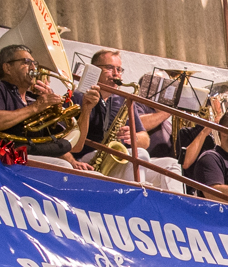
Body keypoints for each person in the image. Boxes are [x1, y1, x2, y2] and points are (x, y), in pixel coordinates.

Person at [0, 44, 90, 169]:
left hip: (31, 156)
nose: (33, 67)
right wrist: (37, 107)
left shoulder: (34, 99)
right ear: (7, 68)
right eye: (26, 62)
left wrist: (87, 108)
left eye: (34, 63)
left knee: (93, 175)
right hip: (7, 158)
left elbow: (76, 145)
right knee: (63, 167)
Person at [73, 50, 183, 193]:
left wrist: (133, 137)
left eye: (119, 69)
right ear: (94, 69)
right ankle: (137, 198)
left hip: (119, 161)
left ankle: (174, 208)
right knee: (139, 155)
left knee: (171, 164)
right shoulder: (78, 95)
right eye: (110, 68)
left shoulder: (122, 100)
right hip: (88, 159)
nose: (116, 74)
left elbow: (145, 139)